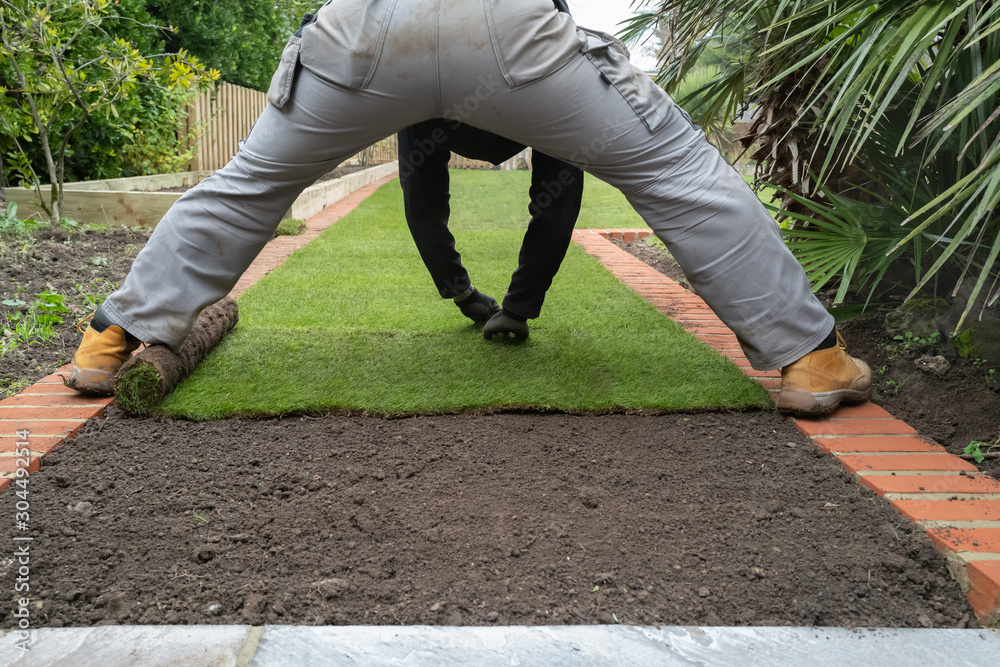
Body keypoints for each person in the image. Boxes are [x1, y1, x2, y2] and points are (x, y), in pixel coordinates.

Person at [66, 0, 871, 417]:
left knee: (246, 186)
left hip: (366, 34)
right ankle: (810, 356)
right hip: (512, 34)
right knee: (675, 168)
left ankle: (112, 338)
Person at [398, 120, 583, 340]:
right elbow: (559, 209)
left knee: (413, 130)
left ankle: (510, 305)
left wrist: (463, 293)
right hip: (531, 106)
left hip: (443, 111)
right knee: (564, 123)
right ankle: (516, 308)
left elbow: (421, 204)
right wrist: (518, 306)